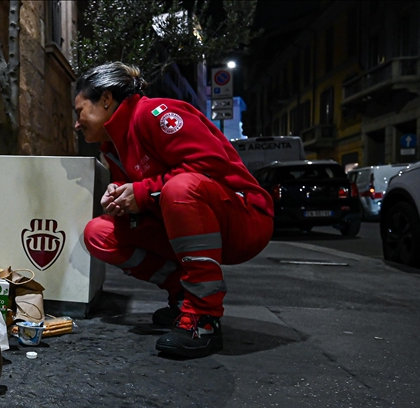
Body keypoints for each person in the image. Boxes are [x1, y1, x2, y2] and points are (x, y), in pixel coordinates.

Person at [74, 62, 274, 358]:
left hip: (244, 219)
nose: (76, 123)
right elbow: (147, 199)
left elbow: (210, 166)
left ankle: (203, 319)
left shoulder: (156, 114)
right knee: (98, 233)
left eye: (79, 111)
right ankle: (182, 295)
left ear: (105, 99)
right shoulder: (113, 147)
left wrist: (141, 191)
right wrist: (121, 203)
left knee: (181, 188)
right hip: (191, 221)